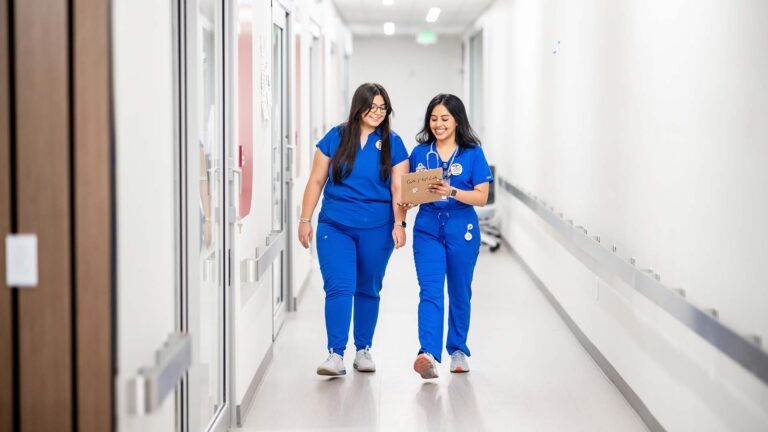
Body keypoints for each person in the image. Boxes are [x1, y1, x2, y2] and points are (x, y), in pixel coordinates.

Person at [298, 83, 410, 376]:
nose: (377, 112)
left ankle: (363, 350)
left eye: (383, 108)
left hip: (377, 226)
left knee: (368, 288)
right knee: (339, 287)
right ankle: (335, 354)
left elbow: (399, 188)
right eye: (372, 106)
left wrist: (399, 224)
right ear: (358, 106)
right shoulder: (336, 137)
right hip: (335, 225)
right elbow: (315, 181)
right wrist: (305, 219)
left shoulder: (393, 143)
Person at [405, 94, 493, 379]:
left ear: (457, 120)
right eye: (433, 119)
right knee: (429, 291)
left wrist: (451, 191)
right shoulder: (420, 153)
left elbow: (481, 197)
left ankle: (457, 350)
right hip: (428, 227)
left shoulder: (472, 153)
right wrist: (407, 202)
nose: (438, 124)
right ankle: (427, 353)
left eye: (444, 119)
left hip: (461, 227)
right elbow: (411, 192)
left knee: (459, 291)